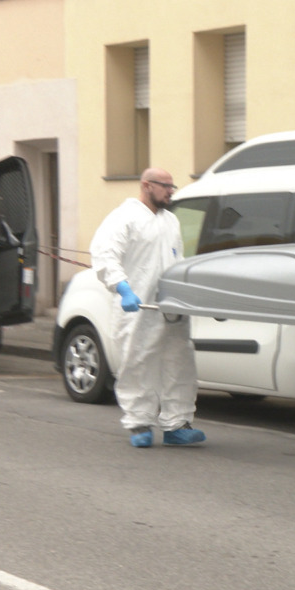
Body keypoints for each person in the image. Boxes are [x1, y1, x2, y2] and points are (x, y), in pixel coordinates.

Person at [90, 168, 205, 448]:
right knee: (138, 362)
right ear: (146, 185)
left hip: (169, 305)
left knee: (179, 363)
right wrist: (123, 287)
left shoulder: (171, 221)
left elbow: (178, 259)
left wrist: (188, 292)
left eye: (172, 185)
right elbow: (105, 254)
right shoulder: (124, 218)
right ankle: (139, 423)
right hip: (137, 306)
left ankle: (177, 424)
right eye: (165, 186)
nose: (171, 191)